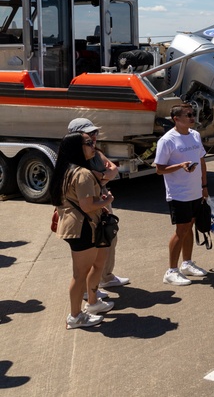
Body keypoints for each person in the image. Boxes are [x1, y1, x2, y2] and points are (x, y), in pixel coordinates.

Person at [53, 132, 114, 329]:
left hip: (81, 225)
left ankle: (93, 303)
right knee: (80, 274)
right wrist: (106, 201)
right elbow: (87, 206)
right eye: (88, 143)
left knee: (98, 262)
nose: (93, 146)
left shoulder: (66, 170)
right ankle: (75, 316)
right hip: (83, 227)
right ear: (77, 148)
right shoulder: (82, 173)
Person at [67, 118, 129, 290]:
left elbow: (114, 170)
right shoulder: (75, 158)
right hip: (86, 208)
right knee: (91, 248)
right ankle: (89, 290)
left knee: (109, 237)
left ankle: (106, 278)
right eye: (89, 134)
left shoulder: (96, 152)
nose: (94, 137)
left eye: (95, 133)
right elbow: (93, 177)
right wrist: (102, 176)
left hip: (100, 201)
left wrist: (102, 176)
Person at [154, 104, 210, 287]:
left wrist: (204, 185)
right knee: (181, 230)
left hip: (195, 191)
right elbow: (159, 169)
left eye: (193, 114)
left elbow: (202, 161)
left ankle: (187, 263)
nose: (192, 117)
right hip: (179, 193)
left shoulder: (195, 135)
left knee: (190, 227)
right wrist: (180, 165)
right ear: (176, 119)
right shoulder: (167, 140)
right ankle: (171, 271)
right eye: (188, 115)